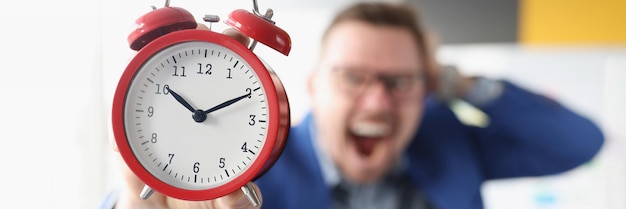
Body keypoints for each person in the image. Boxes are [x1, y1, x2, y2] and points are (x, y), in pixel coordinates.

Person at [100, 2, 604, 209]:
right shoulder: (239, 169)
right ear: (315, 85)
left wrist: (455, 82)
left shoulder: (448, 142)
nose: (378, 99)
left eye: (401, 80)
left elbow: (580, 142)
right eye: (353, 77)